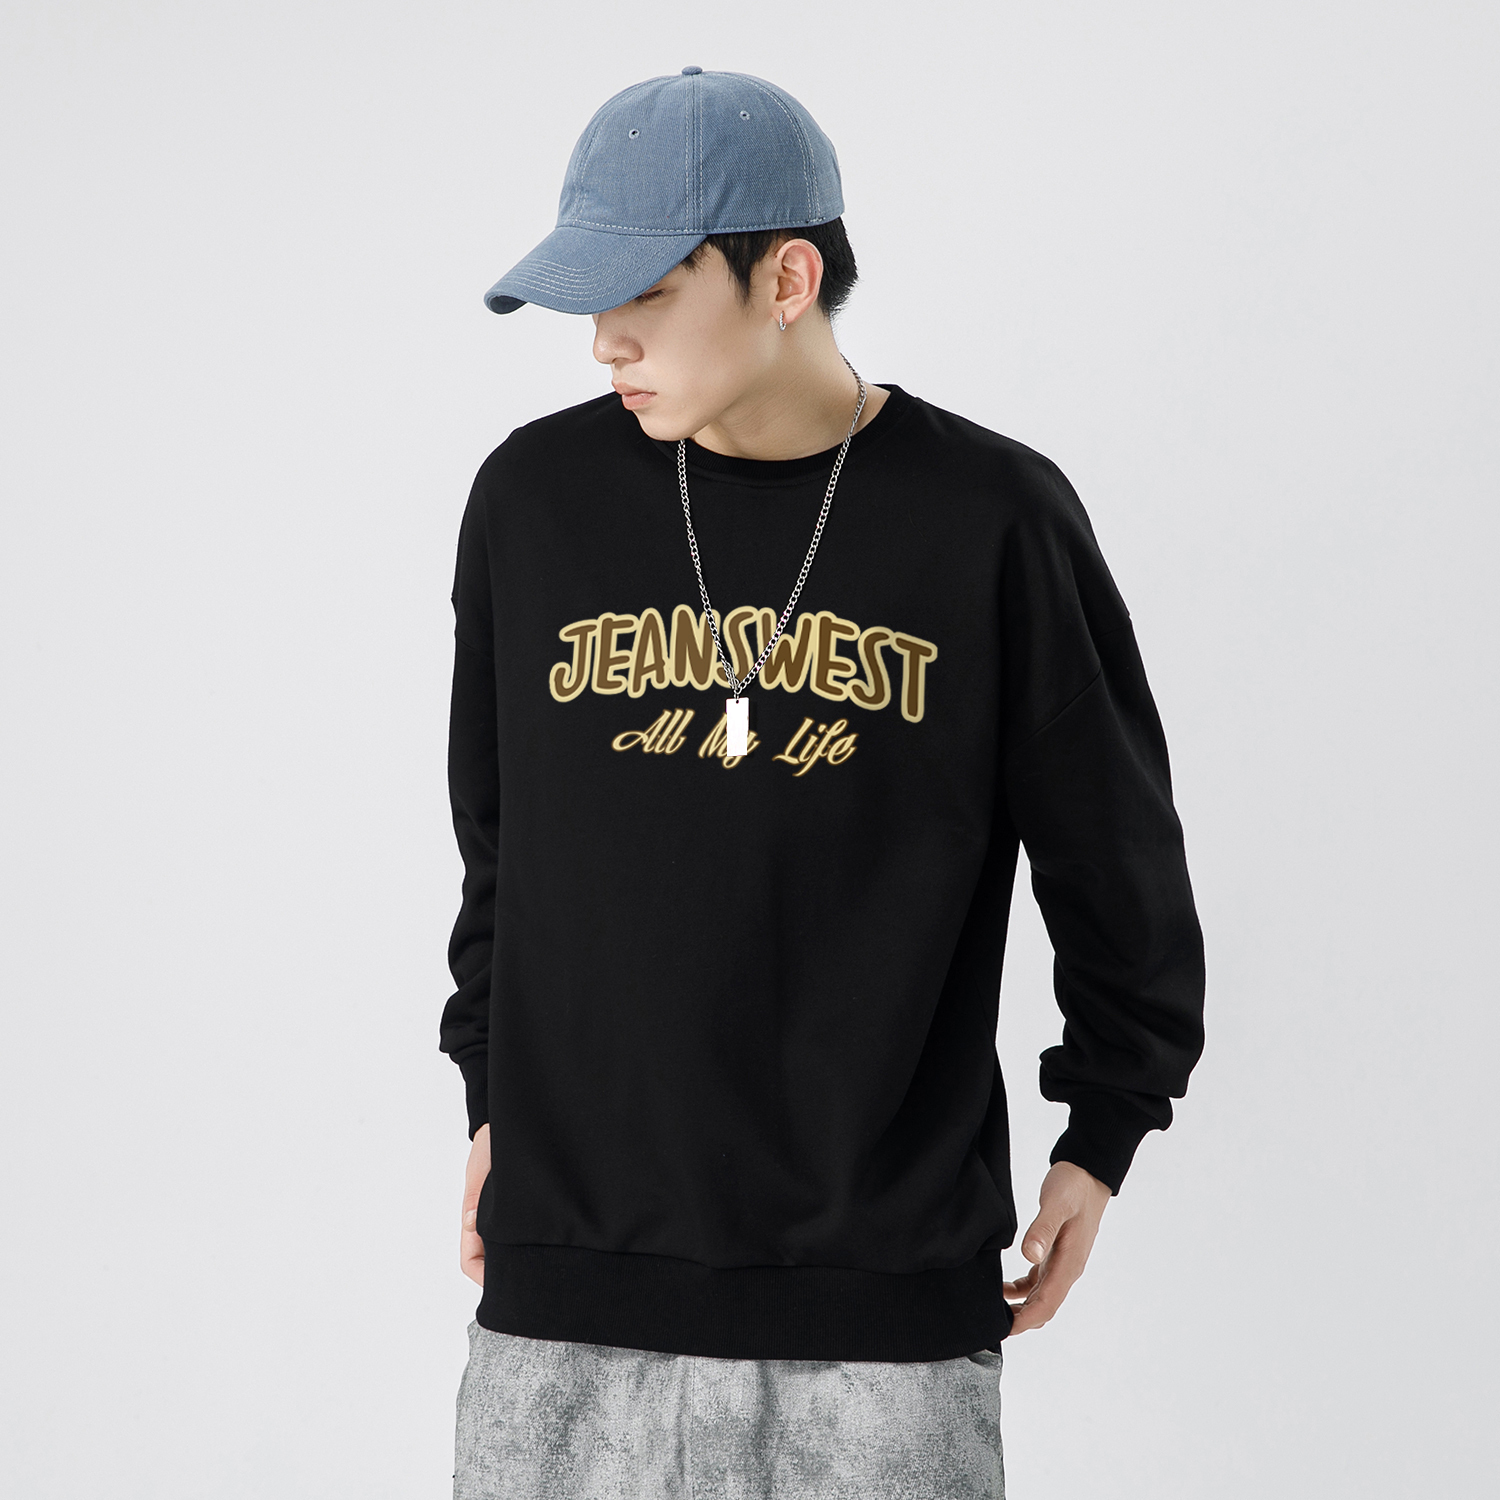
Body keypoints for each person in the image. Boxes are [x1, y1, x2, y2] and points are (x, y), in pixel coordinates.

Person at [439, 66, 1205, 1500]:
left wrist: (1101, 1137)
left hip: (880, 1323)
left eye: (646, 294)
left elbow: (1118, 867)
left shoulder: (990, 519)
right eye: (588, 300)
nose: (604, 341)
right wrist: (489, 1095)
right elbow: (503, 848)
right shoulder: (533, 502)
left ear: (786, 279)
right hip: (567, 1304)